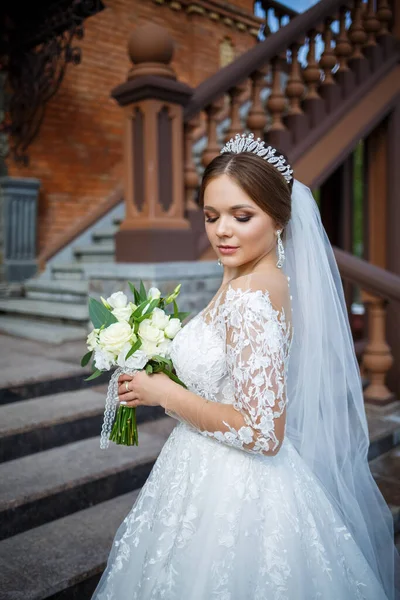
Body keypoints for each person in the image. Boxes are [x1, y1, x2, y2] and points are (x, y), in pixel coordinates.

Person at [91, 133, 400, 599]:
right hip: (201, 465)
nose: (222, 231)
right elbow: (228, 389)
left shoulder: (252, 296)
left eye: (242, 216)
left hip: (235, 490)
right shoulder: (246, 278)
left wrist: (166, 394)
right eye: (212, 216)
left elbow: (262, 433)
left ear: (278, 220)